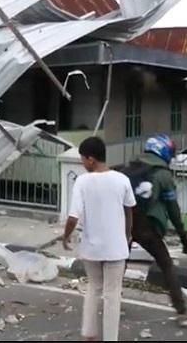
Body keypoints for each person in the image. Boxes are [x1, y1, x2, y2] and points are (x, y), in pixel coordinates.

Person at [63, 136, 135, 341]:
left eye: (82, 160)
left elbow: (73, 217)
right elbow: (130, 211)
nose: (83, 164)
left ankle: (89, 333)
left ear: (91, 159)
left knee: (93, 288)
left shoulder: (82, 182)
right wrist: (127, 236)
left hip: (92, 249)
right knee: (113, 295)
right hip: (116, 248)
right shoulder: (122, 180)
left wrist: (65, 237)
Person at [128, 134, 187, 319]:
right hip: (146, 226)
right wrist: (183, 236)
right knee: (166, 264)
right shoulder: (162, 174)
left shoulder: (129, 167)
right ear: (163, 152)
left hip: (124, 223)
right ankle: (181, 310)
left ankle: (111, 301)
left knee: (120, 262)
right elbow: (173, 209)